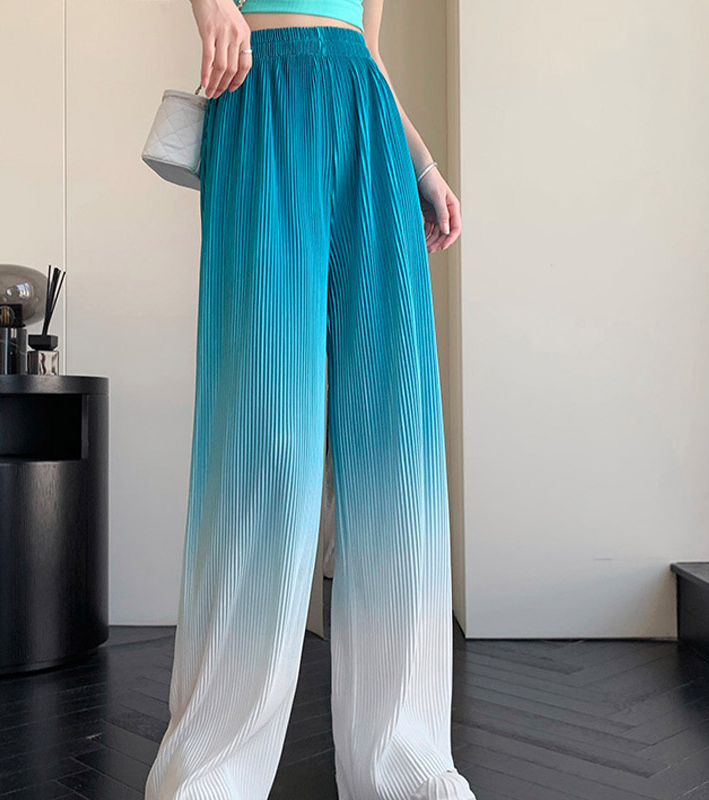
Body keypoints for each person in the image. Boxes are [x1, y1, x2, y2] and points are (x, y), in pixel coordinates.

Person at [144, 0, 472, 797]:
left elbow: (372, 50)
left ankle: (407, 762)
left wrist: (423, 166)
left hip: (368, 120)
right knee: (264, 434)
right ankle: (212, 769)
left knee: (394, 427)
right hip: (263, 103)